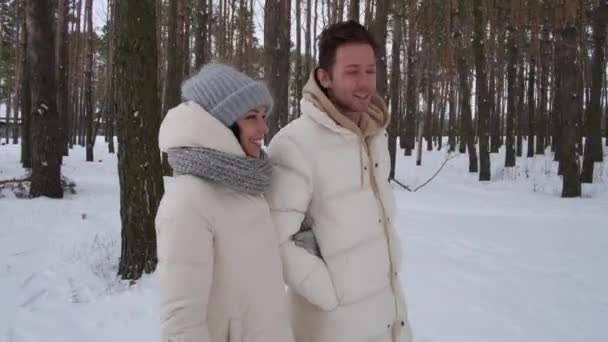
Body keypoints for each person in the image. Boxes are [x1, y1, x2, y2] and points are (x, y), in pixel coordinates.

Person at [266, 21, 413, 342]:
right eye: (353, 72)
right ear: (324, 77)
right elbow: (272, 240)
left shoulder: (374, 137)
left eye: (370, 71)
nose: (365, 83)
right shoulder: (294, 145)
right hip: (332, 327)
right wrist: (329, 291)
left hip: (387, 318)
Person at [155, 63, 294, 342]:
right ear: (218, 123)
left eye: (264, 116)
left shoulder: (249, 184)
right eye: (251, 117)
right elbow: (181, 323)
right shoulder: (189, 200)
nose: (263, 128)